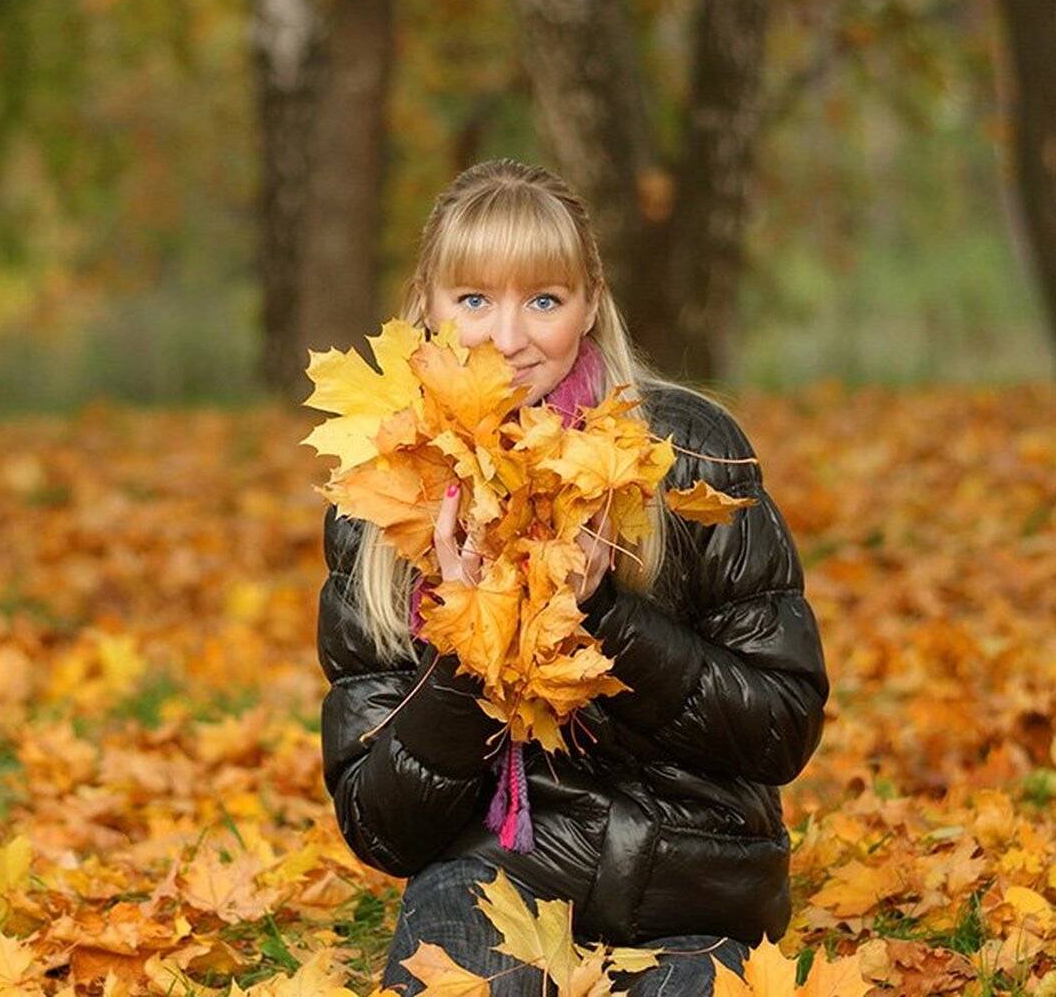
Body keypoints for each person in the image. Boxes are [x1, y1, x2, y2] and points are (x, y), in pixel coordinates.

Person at [314, 159, 829, 996]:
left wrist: (611, 616)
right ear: (427, 307)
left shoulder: (685, 451)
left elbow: (780, 728)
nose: (508, 338)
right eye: (473, 300)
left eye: (544, 300)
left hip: (689, 882)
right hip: (487, 875)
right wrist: (465, 643)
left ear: (590, 303)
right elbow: (382, 829)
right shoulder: (380, 498)